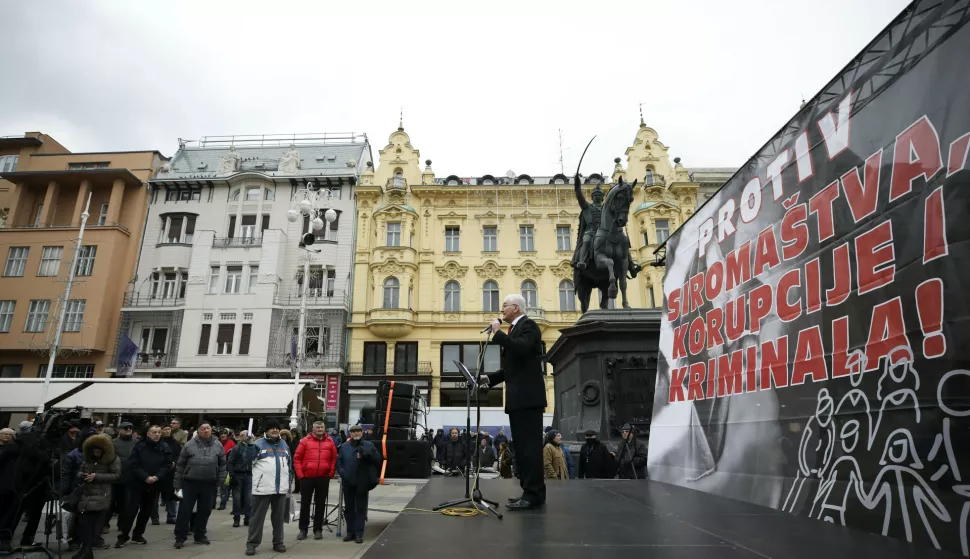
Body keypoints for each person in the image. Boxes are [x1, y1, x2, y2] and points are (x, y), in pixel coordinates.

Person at [481, 294, 547, 511]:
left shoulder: (530, 326)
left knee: (530, 449)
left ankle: (534, 494)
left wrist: (497, 333)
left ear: (516, 308)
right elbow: (513, 367)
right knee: (521, 449)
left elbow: (521, 348)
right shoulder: (514, 330)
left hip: (528, 399)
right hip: (519, 399)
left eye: (505, 306)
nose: (502, 309)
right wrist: (490, 379)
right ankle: (528, 492)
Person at [116, 425, 171, 547]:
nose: (157, 434)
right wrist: (145, 477)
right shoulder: (140, 446)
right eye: (154, 432)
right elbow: (133, 464)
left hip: (154, 484)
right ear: (148, 434)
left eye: (158, 432)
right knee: (130, 511)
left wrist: (156, 477)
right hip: (137, 483)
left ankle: (138, 535)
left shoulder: (164, 447)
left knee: (146, 512)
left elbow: (167, 465)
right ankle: (123, 536)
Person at [173, 422, 226, 549]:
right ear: (198, 431)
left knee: (205, 510)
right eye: (203, 428)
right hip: (190, 482)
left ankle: (200, 535)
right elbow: (180, 465)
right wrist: (177, 484)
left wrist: (221, 480)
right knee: (185, 511)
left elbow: (223, 464)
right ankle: (180, 537)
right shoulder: (189, 445)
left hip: (209, 483)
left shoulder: (218, 445)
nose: (206, 430)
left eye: (208, 428)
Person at [246, 419, 291, 556]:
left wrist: (288, 483)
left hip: (280, 489)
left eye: (277, 428)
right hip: (262, 489)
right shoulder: (257, 444)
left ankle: (278, 543)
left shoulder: (284, 445)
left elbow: (289, 466)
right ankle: (252, 544)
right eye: (272, 428)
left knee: (278, 519)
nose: (275, 430)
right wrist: (249, 446)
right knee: (256, 519)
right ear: (266, 430)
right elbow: (248, 460)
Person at [74, 434, 120, 559]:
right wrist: (82, 475)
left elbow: (116, 476)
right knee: (84, 525)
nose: (96, 451)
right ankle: (86, 550)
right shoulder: (88, 459)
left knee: (90, 524)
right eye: (94, 449)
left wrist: (96, 476)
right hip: (86, 494)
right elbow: (79, 471)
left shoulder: (113, 459)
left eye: (99, 449)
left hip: (101, 495)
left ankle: (86, 550)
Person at [336, 425, 381, 544]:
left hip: (362, 482)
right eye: (354, 432)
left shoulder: (368, 445)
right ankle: (350, 532)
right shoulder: (345, 446)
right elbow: (339, 461)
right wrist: (342, 472)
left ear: (362, 433)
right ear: (350, 433)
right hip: (348, 481)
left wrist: (369, 454)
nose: (356, 433)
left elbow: (378, 459)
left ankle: (359, 533)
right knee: (349, 508)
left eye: (358, 431)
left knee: (360, 509)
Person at [293, 421, 337, 541]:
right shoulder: (304, 441)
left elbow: (334, 458)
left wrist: (330, 473)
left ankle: (318, 529)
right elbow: (297, 458)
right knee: (305, 504)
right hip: (307, 478)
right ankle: (303, 529)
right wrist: (301, 475)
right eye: (317, 427)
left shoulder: (330, 442)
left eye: (322, 427)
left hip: (323, 477)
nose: (320, 429)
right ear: (313, 429)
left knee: (320, 504)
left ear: (324, 428)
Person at [108, 422, 135, 531]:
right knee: (110, 503)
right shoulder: (113, 443)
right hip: (114, 478)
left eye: (130, 428)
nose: (128, 430)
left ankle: (122, 525)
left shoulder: (136, 443)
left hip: (129, 479)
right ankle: (105, 524)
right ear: (119, 430)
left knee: (126, 504)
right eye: (125, 428)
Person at [227, 430, 258, 528]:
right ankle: (236, 518)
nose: (244, 437)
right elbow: (230, 462)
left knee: (248, 498)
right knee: (237, 498)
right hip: (238, 474)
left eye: (246, 435)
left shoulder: (254, 447)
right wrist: (232, 475)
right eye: (242, 435)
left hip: (249, 474)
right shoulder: (236, 448)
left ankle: (247, 518)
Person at [159, 425, 181, 524]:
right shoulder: (158, 442)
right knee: (154, 495)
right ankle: (154, 516)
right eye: (165, 429)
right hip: (157, 471)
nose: (167, 431)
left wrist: (174, 462)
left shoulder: (175, 443)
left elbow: (179, 455)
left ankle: (171, 516)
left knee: (171, 495)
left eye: (169, 429)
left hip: (171, 472)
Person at [217, 430, 235, 510]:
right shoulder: (217, 443)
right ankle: (212, 503)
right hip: (216, 465)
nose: (223, 435)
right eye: (221, 434)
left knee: (224, 486)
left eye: (224, 434)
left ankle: (222, 503)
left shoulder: (231, 443)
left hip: (226, 467)